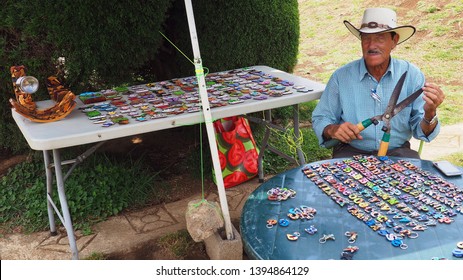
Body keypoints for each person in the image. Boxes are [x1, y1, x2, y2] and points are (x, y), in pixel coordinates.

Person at [312, 7, 445, 159]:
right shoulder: (341, 76)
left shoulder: (412, 75)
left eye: (380, 37)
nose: (371, 45)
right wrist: (332, 129)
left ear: (394, 41)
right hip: (350, 151)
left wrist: (430, 113)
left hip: (398, 153)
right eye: (366, 38)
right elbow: (321, 118)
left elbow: (423, 133)